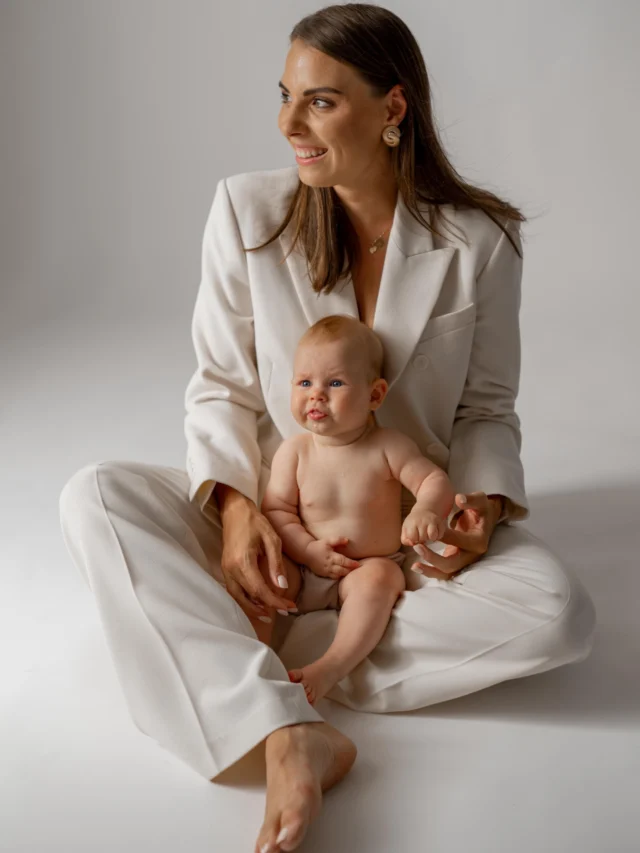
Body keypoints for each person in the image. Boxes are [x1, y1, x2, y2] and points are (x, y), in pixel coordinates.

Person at [58, 6, 596, 853]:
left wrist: (478, 511)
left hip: (399, 545)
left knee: (559, 614)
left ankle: (241, 653)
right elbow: (220, 389)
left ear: (392, 110)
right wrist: (239, 515)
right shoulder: (246, 212)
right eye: (284, 97)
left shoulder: (482, 239)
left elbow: (487, 409)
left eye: (319, 102)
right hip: (280, 522)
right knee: (94, 495)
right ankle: (291, 727)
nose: (288, 124)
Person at [256, 314, 455, 705]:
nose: (316, 395)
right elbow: (277, 512)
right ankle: (252, 655)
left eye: (334, 383)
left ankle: (332, 665)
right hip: (304, 565)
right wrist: (307, 551)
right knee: (265, 572)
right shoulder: (294, 452)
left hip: (365, 567)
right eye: (304, 382)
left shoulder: (388, 446)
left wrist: (425, 511)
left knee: (381, 579)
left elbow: (434, 481)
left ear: (375, 396)